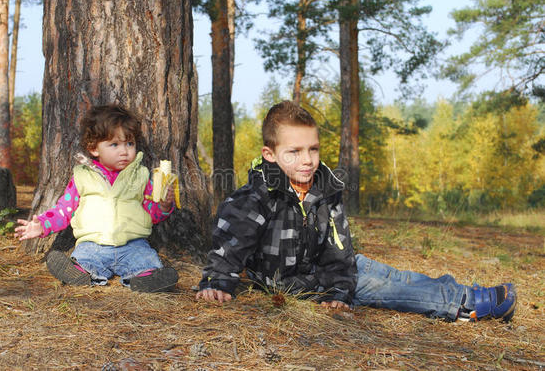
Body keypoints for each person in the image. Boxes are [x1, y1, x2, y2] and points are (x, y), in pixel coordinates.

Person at [196, 101, 516, 322]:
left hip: (334, 270)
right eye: (293, 152)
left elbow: (340, 250)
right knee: (386, 288)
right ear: (270, 154)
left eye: (313, 149)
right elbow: (228, 249)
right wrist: (216, 282)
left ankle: (462, 290)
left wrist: (339, 286)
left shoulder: (326, 189)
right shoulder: (254, 197)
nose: (307, 160)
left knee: (393, 274)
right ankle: (464, 304)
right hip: (300, 282)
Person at [15, 104, 178, 292]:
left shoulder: (140, 176)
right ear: (94, 148)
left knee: (146, 260)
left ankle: (148, 279)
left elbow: (151, 213)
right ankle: (79, 273)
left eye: (129, 143)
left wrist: (165, 205)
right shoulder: (82, 176)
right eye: (114, 145)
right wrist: (42, 225)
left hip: (133, 244)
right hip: (93, 245)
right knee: (85, 259)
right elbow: (63, 210)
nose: (124, 151)